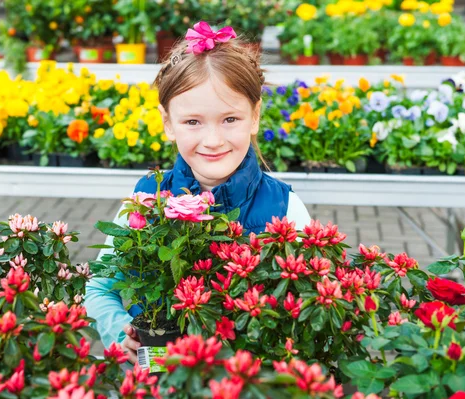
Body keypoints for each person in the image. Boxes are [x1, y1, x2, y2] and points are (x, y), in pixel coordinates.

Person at [85, 21, 311, 363]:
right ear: (168, 124)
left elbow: (306, 306)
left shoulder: (285, 207)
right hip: (160, 368)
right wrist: (123, 335)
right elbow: (101, 287)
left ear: (254, 117)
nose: (213, 140)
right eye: (193, 122)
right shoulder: (147, 199)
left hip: (244, 378)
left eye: (230, 119)